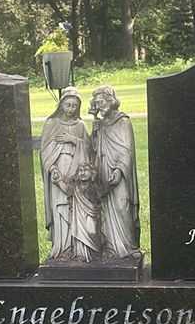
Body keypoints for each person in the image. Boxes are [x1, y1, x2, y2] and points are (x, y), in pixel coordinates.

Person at [88, 85, 140, 261]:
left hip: (119, 173)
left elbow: (127, 149)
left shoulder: (123, 121)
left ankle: (127, 246)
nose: (99, 106)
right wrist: (95, 124)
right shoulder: (100, 123)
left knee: (121, 205)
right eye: (96, 103)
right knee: (105, 210)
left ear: (110, 101)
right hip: (103, 172)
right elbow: (94, 148)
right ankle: (110, 246)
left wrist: (118, 170)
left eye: (101, 102)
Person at [40, 87, 91, 260]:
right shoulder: (51, 124)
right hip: (58, 172)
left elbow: (88, 149)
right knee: (60, 206)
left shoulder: (80, 125)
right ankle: (62, 246)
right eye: (68, 105)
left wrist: (73, 140)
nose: (70, 109)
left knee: (75, 208)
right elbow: (45, 151)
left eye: (74, 106)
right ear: (61, 105)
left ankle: (77, 246)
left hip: (76, 172)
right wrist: (52, 168)